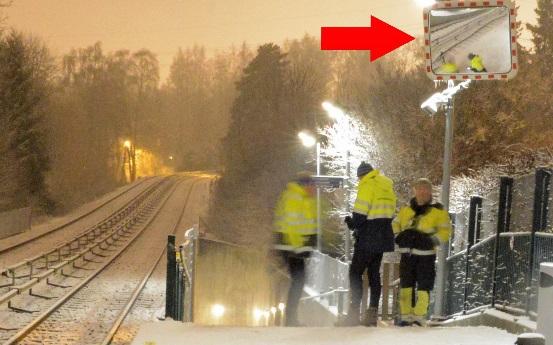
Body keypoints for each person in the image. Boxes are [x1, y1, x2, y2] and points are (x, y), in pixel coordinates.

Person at [340, 162, 397, 327]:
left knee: (355, 272)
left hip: (369, 236)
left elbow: (360, 214)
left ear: (361, 176)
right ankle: (371, 314)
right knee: (373, 274)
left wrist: (352, 223)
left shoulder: (367, 185)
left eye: (359, 178)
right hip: (383, 235)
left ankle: (353, 315)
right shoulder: (386, 186)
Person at [392, 178, 452, 326]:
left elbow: (446, 231)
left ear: (430, 191)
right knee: (406, 285)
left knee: (424, 286)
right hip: (407, 254)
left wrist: (431, 240)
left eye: (426, 189)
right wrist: (398, 236)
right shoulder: (406, 210)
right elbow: (395, 224)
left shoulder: (438, 211)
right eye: (420, 188)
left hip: (426, 255)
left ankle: (419, 316)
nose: (423, 192)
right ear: (415, 190)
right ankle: (406, 316)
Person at [273, 172, 317, 327]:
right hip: (290, 246)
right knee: (298, 280)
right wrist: (299, 248)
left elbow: (305, 225)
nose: (314, 189)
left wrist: (310, 240)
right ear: (305, 185)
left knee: (298, 280)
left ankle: (291, 318)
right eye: (312, 186)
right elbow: (292, 227)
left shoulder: (301, 198)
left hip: (292, 246)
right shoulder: (295, 198)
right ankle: (290, 319)